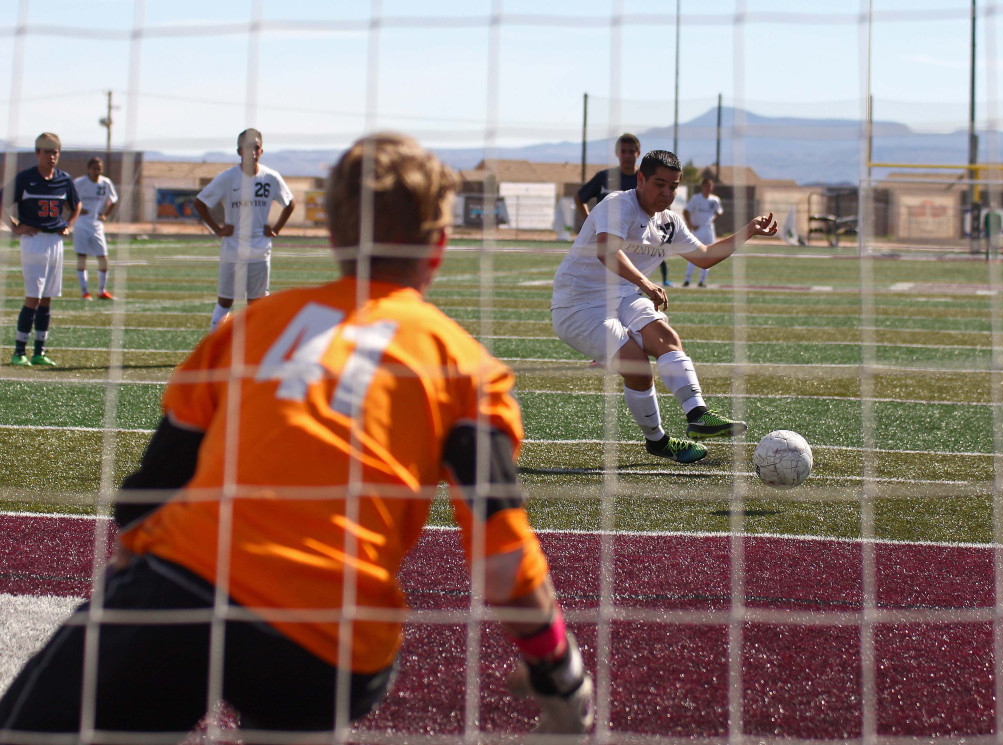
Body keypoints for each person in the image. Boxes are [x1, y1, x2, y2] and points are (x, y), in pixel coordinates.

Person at [0, 133, 594, 742]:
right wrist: (558, 668)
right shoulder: (465, 368)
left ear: (335, 238)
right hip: (330, 641)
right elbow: (501, 558)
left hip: (187, 589)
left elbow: (152, 488)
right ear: (439, 246)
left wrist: (128, 609)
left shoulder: (247, 329)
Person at [552, 150, 776, 464]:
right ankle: (657, 441)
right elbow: (607, 251)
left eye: (673, 187)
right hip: (578, 304)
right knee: (638, 367)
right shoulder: (619, 204)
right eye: (660, 184)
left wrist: (749, 230)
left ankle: (698, 415)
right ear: (640, 179)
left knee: (666, 339)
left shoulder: (669, 222)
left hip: (624, 298)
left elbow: (705, 257)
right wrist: (646, 284)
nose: (667, 193)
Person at [194, 128, 296, 333]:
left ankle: (254, 348)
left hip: (260, 251)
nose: (252, 151)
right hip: (232, 249)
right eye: (247, 147)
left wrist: (275, 229)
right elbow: (200, 203)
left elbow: (290, 204)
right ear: (239, 151)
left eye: (256, 147)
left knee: (256, 304)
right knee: (225, 300)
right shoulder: (227, 178)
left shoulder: (271, 177)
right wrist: (217, 229)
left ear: (262, 150)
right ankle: (215, 347)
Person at [1, 132, 81, 367]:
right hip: (33, 239)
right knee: (33, 298)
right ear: (37, 153)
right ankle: (18, 352)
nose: (52, 156)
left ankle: (39, 351)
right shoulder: (25, 178)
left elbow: (76, 206)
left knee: (47, 299)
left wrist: (69, 225)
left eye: (55, 152)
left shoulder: (64, 180)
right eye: (47, 151)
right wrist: (15, 227)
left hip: (55, 240)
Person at [575, 133, 672, 286]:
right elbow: (580, 198)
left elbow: (661, 206)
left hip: (636, 242)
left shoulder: (647, 180)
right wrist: (590, 222)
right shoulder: (605, 177)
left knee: (632, 286)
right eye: (623, 151)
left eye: (631, 151)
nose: (627, 155)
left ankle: (663, 280)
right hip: (608, 240)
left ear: (638, 153)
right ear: (617, 153)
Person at [73, 156, 119, 300]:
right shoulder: (79, 183)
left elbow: (114, 200)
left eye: (99, 169)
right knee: (82, 257)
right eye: (94, 168)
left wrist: (105, 215)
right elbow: (67, 199)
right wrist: (76, 211)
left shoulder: (105, 183)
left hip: (96, 224)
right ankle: (84, 292)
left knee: (103, 257)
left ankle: (101, 290)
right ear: (88, 169)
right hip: (81, 224)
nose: (97, 171)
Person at [683, 177, 724, 287]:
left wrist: (711, 218)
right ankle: (687, 279)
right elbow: (686, 211)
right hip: (698, 229)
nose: (708, 188)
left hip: (709, 229)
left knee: (709, 255)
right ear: (702, 187)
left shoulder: (715, 200)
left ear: (712, 187)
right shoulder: (696, 198)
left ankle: (702, 280)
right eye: (706, 186)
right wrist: (690, 225)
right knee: (694, 253)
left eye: (710, 186)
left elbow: (719, 212)